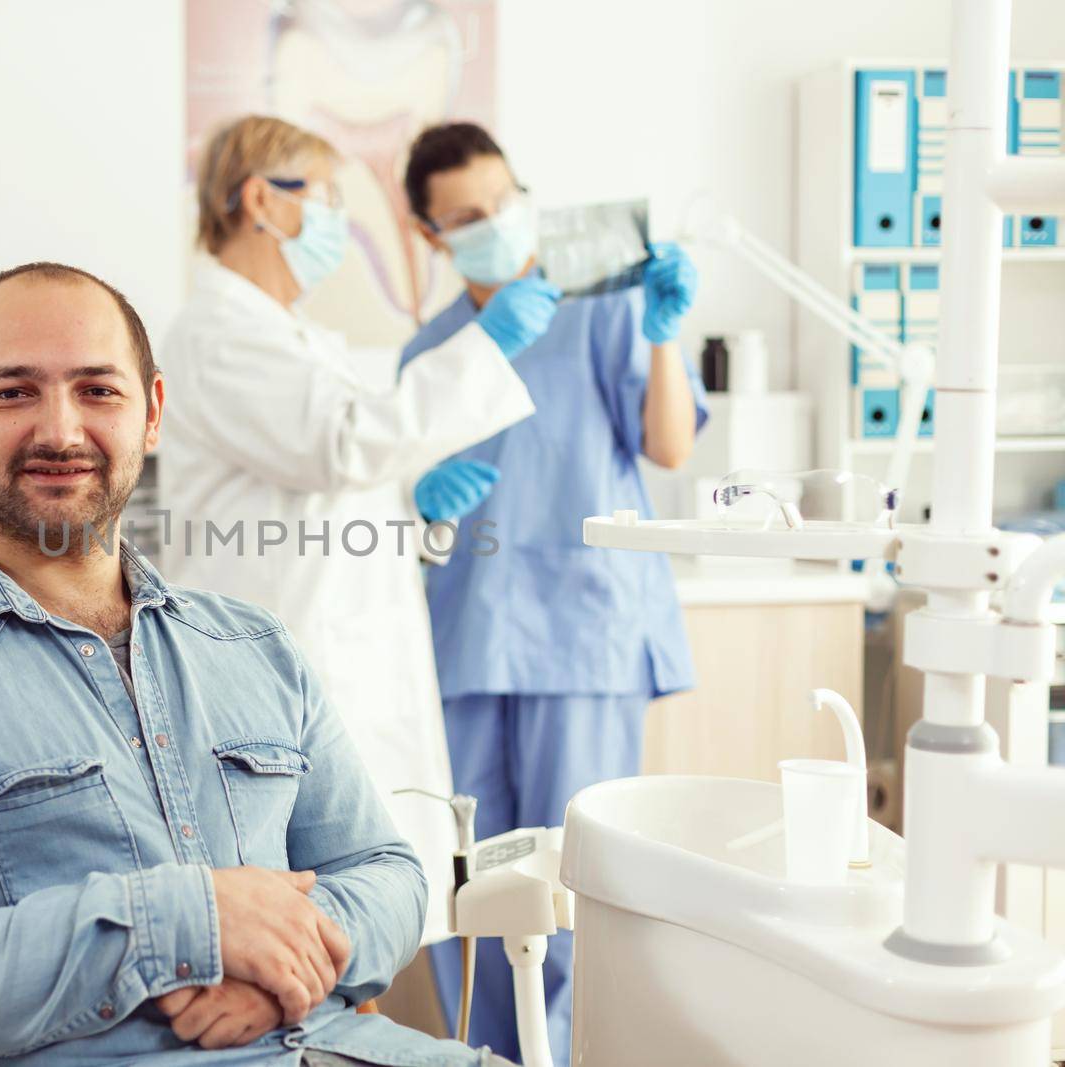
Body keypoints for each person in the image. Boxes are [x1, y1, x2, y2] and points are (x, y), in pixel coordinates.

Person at [0, 262, 516, 1067]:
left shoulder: (255, 646)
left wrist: (274, 967)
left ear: (152, 413)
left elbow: (388, 872)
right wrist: (183, 923)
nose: (60, 430)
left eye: (98, 390)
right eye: (14, 392)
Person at [159, 115, 556, 945]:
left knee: (346, 920)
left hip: (327, 658)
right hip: (274, 670)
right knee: (298, 926)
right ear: (263, 201)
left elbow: (339, 480)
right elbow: (340, 445)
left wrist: (413, 504)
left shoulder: (295, 338)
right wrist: (489, 344)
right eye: (330, 198)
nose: (339, 221)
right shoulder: (219, 333)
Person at [399, 122, 708, 1066]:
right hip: (464, 642)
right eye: (465, 217)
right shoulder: (430, 353)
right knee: (477, 891)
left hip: (586, 631)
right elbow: (399, 506)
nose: (493, 224)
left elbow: (669, 447)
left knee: (577, 888)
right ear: (429, 234)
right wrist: (411, 498)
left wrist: (662, 336)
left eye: (502, 201)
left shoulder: (603, 307)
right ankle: (486, 1058)